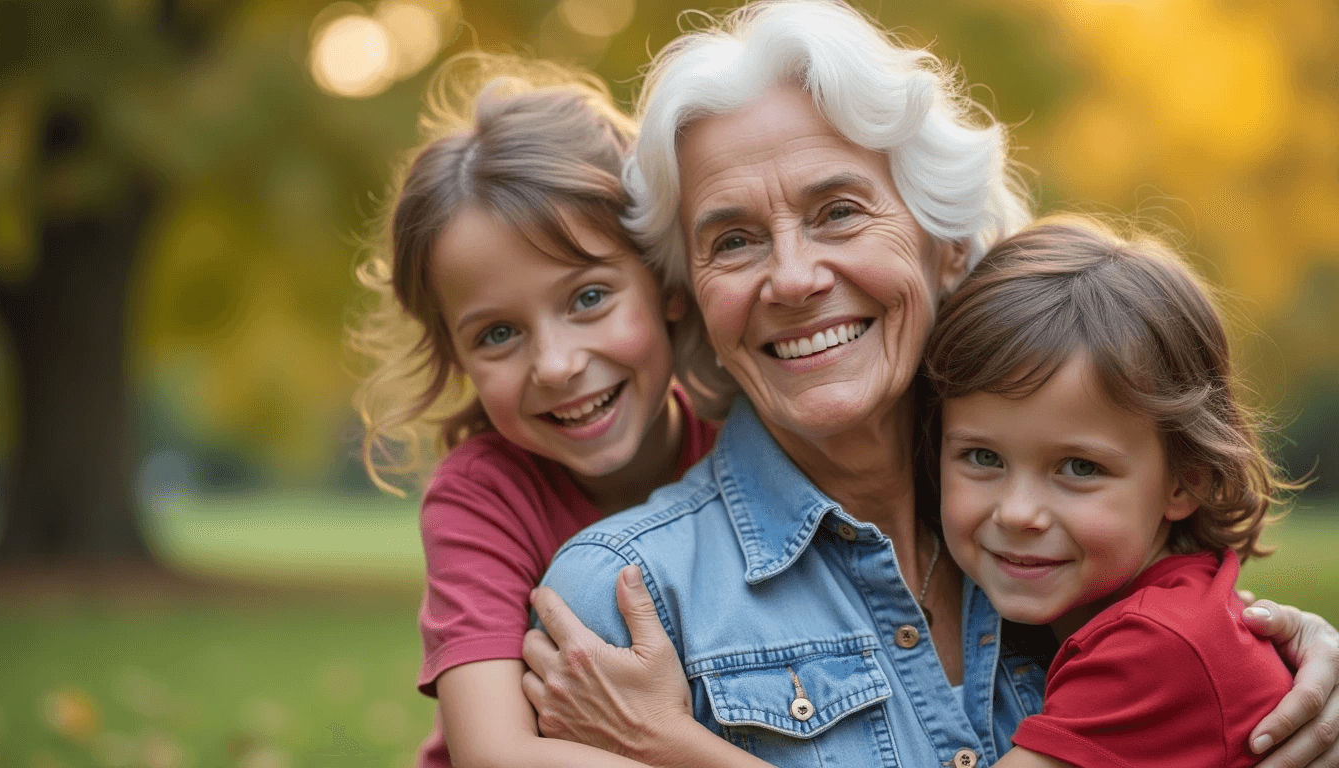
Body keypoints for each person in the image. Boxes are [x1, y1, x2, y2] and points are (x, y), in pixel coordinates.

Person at [519, 2, 1339, 767]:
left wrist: (1280, 654)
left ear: (945, 241)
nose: (794, 278)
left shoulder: (1061, 557)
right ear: (694, 297)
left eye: (838, 211)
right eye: (732, 240)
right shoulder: (623, 606)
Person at [349, 53, 719, 768]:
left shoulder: (743, 437)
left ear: (666, 282)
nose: (555, 364)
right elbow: (495, 752)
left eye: (588, 298)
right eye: (498, 334)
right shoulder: (483, 496)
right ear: (459, 359)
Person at [925, 217, 1299, 767]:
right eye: (984, 458)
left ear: (1187, 478)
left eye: (1078, 467)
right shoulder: (1158, 605)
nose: (1019, 512)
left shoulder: (1160, 646)